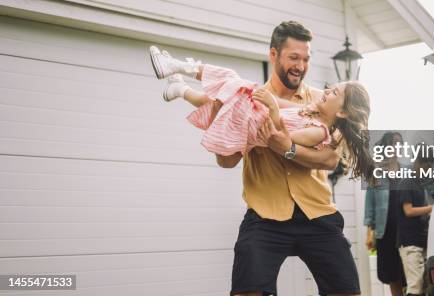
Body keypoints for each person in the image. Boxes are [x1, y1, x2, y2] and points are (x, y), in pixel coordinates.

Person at [150, 21, 368, 296]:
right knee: (246, 291)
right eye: (293, 57)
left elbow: (329, 160)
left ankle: (181, 84)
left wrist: (286, 148)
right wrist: (226, 123)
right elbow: (226, 162)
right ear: (274, 55)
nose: (300, 66)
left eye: (306, 59)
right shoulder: (253, 96)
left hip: (316, 211)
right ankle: (180, 86)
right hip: (266, 214)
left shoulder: (321, 102)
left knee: (346, 291)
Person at [364, 132, 406, 296]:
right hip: (386, 231)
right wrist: (369, 232)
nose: (398, 146)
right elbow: (370, 205)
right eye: (394, 142)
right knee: (392, 273)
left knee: (409, 271)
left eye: (400, 143)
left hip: (406, 230)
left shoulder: (407, 171)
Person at [397, 157, 434, 296]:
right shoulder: (407, 183)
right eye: (426, 163)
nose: (429, 167)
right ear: (417, 162)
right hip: (409, 243)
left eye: (431, 164)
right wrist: (431, 208)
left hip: (422, 241)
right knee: (415, 287)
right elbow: (409, 211)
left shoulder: (421, 184)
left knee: (424, 287)